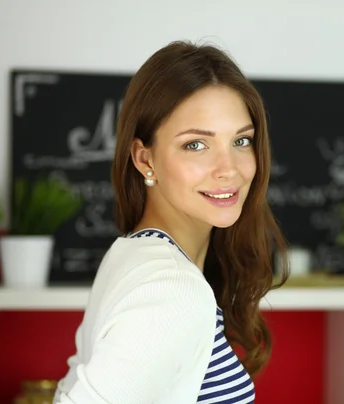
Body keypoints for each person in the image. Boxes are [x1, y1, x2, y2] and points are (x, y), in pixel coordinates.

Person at [53, 40, 289, 404]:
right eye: (196, 145)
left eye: (241, 140)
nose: (229, 169)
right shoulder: (173, 289)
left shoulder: (132, 252)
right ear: (145, 159)